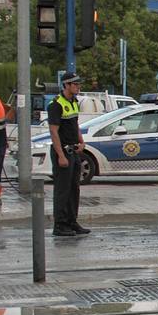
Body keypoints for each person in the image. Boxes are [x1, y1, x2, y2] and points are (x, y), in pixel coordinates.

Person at [47, 73, 90, 237]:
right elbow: (53, 131)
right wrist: (61, 155)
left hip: (74, 151)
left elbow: (75, 124)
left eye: (78, 84)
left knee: (74, 189)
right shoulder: (56, 104)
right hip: (63, 151)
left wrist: (81, 142)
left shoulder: (74, 102)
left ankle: (72, 221)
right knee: (62, 190)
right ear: (66, 85)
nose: (78, 87)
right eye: (75, 84)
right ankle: (60, 225)